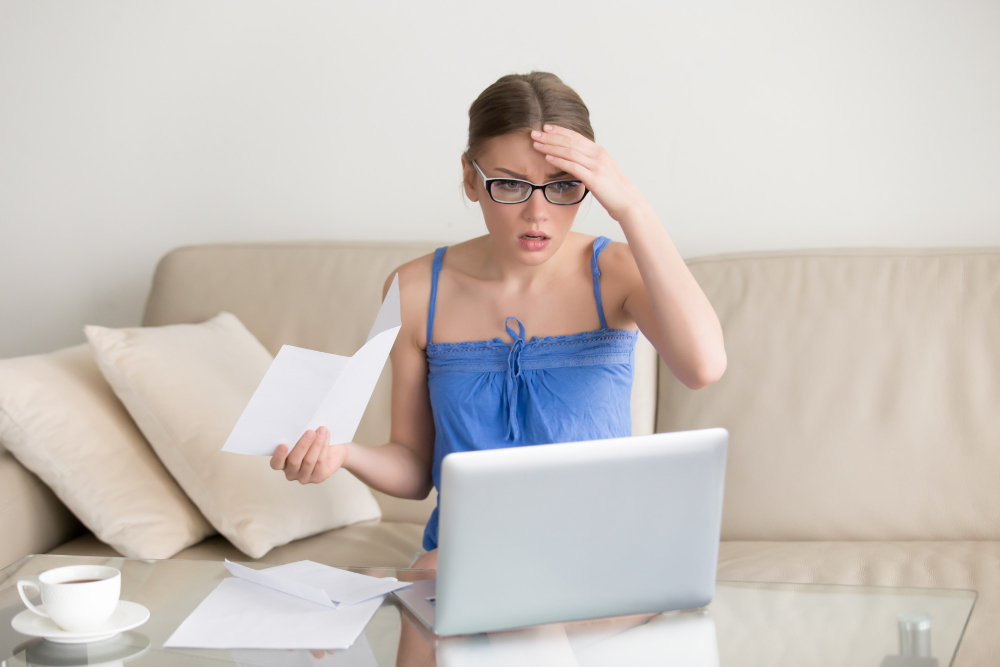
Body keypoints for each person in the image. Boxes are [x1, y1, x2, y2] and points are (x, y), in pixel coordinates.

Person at [269, 71, 727, 571]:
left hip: (604, 553)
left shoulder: (615, 272)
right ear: (470, 178)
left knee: (462, 592)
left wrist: (631, 205)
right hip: (470, 555)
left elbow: (703, 366)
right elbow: (415, 467)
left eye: (563, 185)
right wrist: (343, 454)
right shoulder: (416, 290)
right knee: (437, 576)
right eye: (509, 184)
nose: (538, 214)